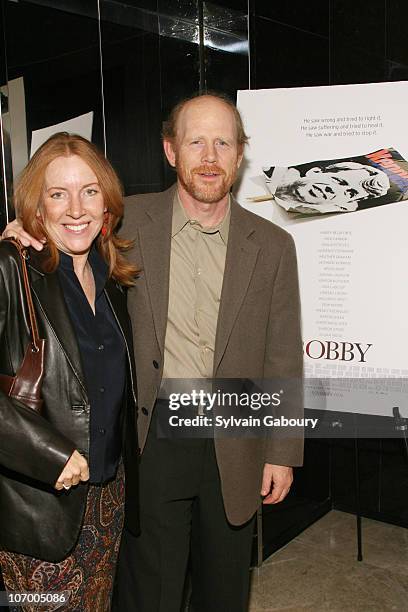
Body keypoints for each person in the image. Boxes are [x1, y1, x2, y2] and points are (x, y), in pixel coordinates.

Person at [4, 93, 303, 612]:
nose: (209, 156)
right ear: (170, 151)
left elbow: (283, 353)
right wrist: (19, 232)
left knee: (224, 586)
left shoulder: (273, 244)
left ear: (239, 155)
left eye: (223, 143)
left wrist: (281, 450)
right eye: (195, 142)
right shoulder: (124, 222)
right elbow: (59, 227)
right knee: (151, 589)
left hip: (235, 432)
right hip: (149, 437)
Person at [0, 132, 139, 612]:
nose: (76, 208)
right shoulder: (10, 269)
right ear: (37, 208)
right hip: (38, 508)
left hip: (107, 502)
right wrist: (51, 455)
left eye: (90, 191)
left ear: (107, 204)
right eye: (58, 193)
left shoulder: (112, 279)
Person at [263, 161, 390, 214]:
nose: (334, 190)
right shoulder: (270, 175)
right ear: (315, 172)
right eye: (338, 181)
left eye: (350, 194)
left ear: (344, 204)